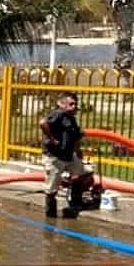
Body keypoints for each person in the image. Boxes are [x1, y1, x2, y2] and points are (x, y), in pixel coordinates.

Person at [40, 91, 89, 219]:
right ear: (62, 104)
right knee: (52, 188)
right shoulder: (58, 114)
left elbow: (75, 137)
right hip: (55, 156)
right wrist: (52, 139)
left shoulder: (71, 119)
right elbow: (43, 123)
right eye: (71, 104)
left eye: (75, 104)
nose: (74, 107)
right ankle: (50, 217)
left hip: (68, 155)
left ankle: (75, 204)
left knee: (80, 173)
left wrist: (78, 152)